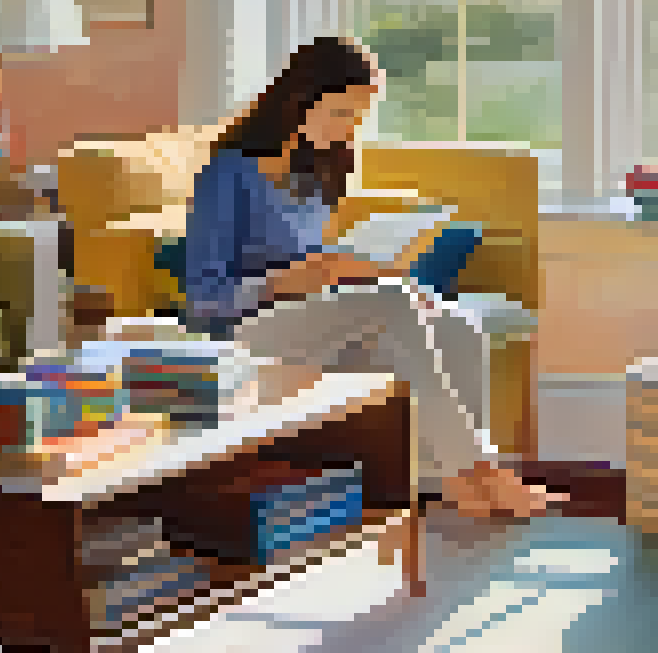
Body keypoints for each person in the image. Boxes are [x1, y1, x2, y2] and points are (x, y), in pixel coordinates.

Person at [181, 35, 559, 520]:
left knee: (456, 326)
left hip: (308, 323)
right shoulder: (226, 173)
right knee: (392, 302)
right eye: (341, 113)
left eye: (357, 118)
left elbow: (319, 272)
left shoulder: (317, 171)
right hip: (243, 334)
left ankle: (439, 490)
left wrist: (367, 273)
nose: (347, 130)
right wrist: (286, 281)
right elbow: (203, 299)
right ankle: (483, 473)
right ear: (300, 100)